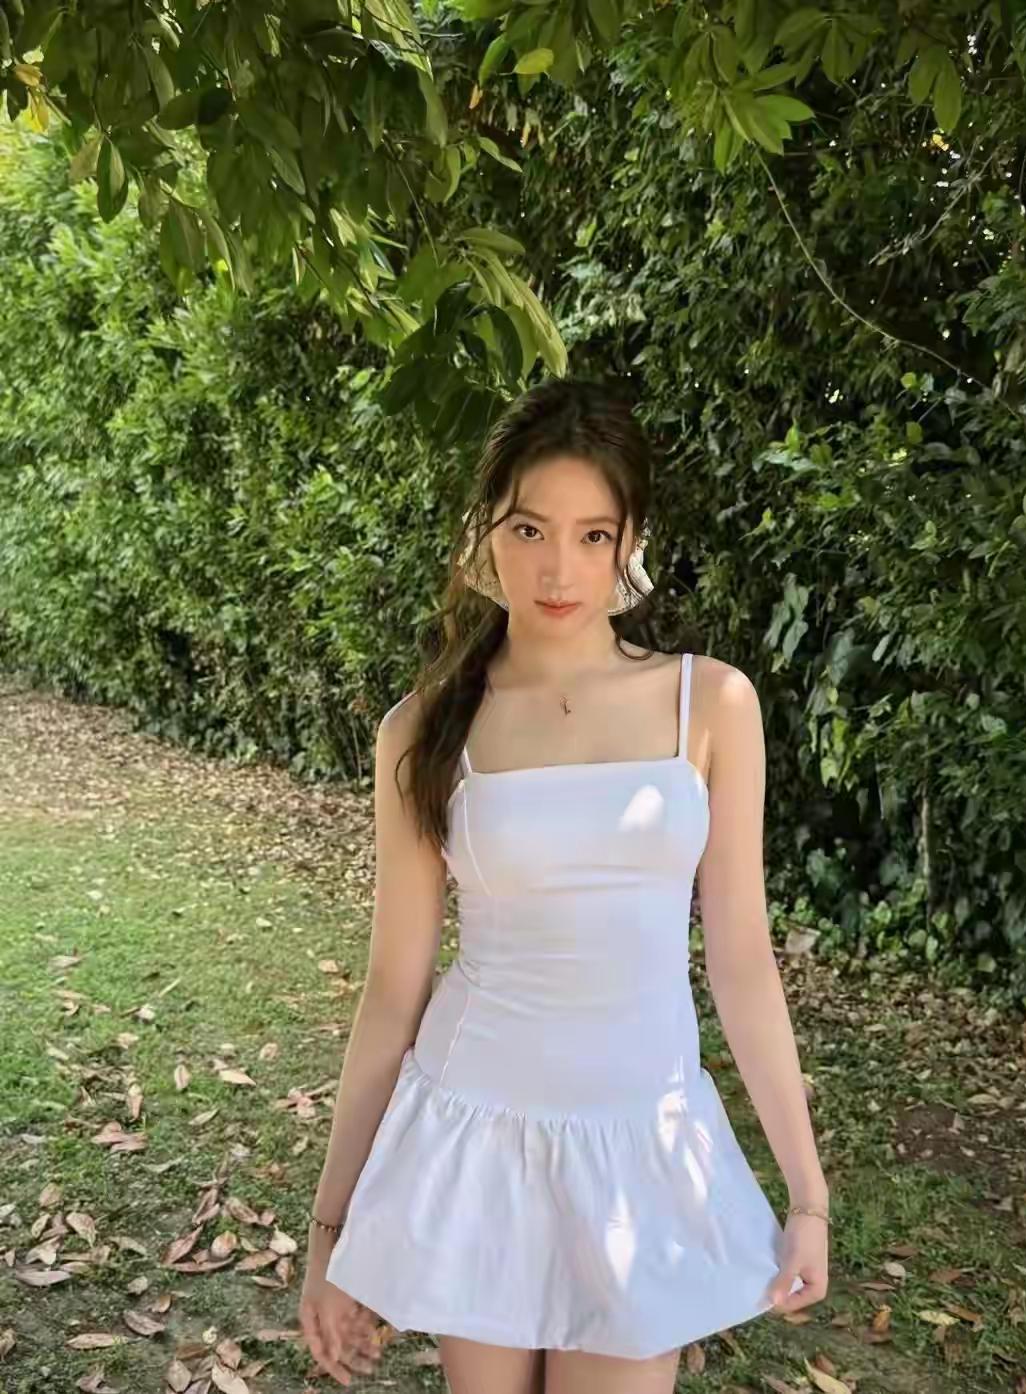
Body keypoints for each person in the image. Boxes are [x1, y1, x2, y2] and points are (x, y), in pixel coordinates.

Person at [297, 378, 830, 1393]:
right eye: (530, 528)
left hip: (641, 1138)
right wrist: (330, 1232)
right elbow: (394, 989)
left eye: (593, 536)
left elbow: (743, 962)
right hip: (478, 1126)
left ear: (631, 542)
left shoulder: (712, 703)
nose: (557, 569)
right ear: (485, 528)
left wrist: (807, 1196)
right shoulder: (423, 729)